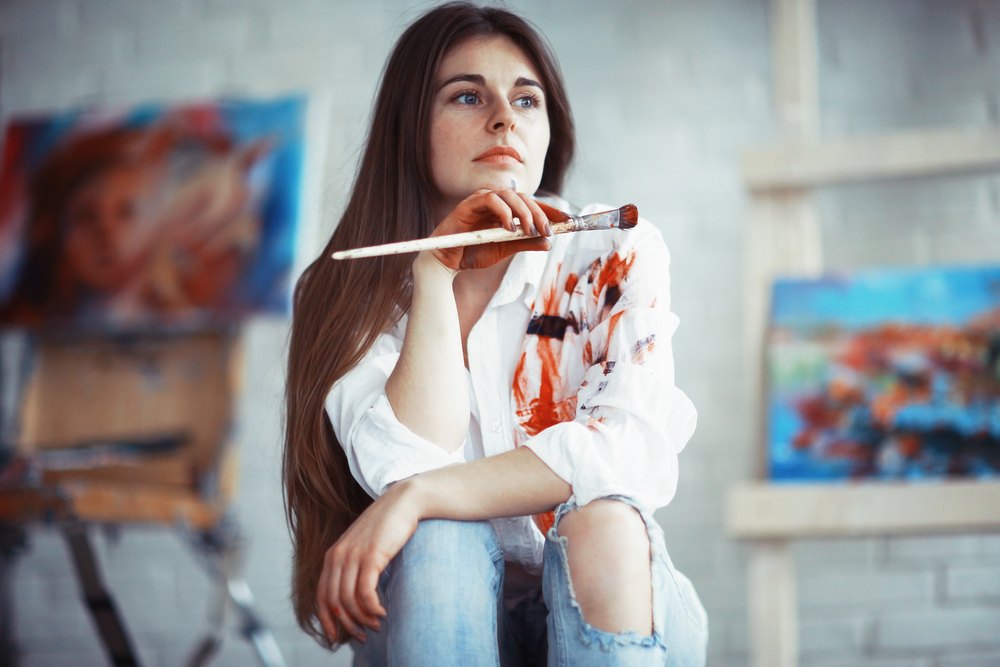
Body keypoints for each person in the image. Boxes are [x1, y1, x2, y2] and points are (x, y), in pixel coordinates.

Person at [283, 3, 708, 665]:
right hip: (438, 611)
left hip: (614, 604)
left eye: (527, 99)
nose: (505, 117)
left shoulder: (612, 248)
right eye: (466, 95)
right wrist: (432, 275)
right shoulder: (345, 292)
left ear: (548, 131)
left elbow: (625, 450)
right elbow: (406, 464)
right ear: (408, 126)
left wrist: (422, 494)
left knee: (601, 518)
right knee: (437, 538)